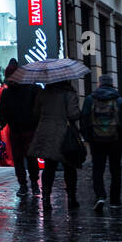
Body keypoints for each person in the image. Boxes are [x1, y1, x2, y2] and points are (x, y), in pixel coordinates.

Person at [79, 74, 122, 213]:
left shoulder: (90, 100)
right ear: (112, 84)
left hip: (96, 141)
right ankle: (115, 201)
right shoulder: (119, 100)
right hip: (115, 141)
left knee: (98, 169)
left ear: (100, 84)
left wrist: (88, 137)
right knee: (115, 170)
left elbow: (84, 120)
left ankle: (100, 196)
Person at [29, 78, 83, 211]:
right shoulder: (69, 94)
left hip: (46, 133)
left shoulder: (43, 93)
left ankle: (46, 199)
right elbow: (74, 114)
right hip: (64, 135)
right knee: (70, 167)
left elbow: (35, 113)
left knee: (49, 167)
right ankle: (71, 198)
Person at [0, 59, 40, 197]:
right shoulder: (9, 92)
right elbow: (3, 112)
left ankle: (32, 183)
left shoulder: (30, 89)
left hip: (26, 129)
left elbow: (37, 108)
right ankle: (24, 184)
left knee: (29, 157)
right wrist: (1, 123)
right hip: (17, 129)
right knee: (19, 158)